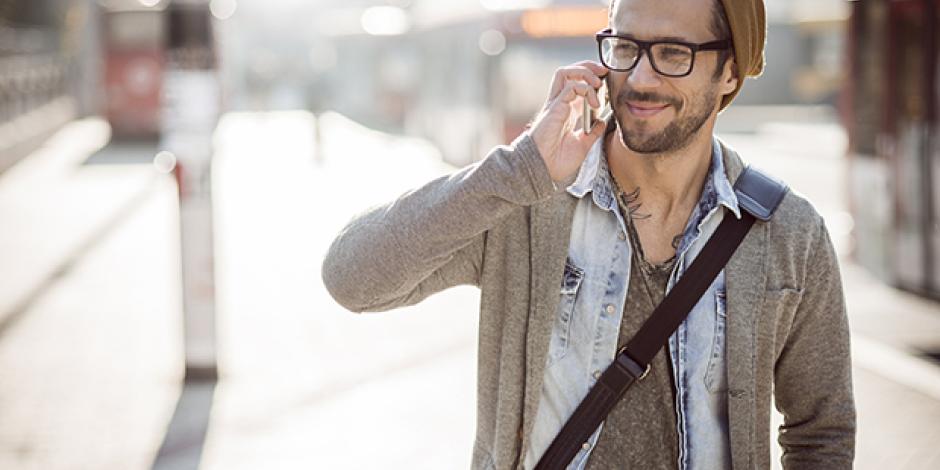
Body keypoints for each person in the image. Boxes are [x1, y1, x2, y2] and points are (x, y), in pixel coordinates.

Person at [321, 0, 856, 468]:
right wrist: (519, 169)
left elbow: (821, 434)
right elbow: (352, 278)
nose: (640, 78)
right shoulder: (527, 201)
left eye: (673, 54)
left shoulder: (788, 235)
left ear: (731, 73)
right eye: (625, 47)